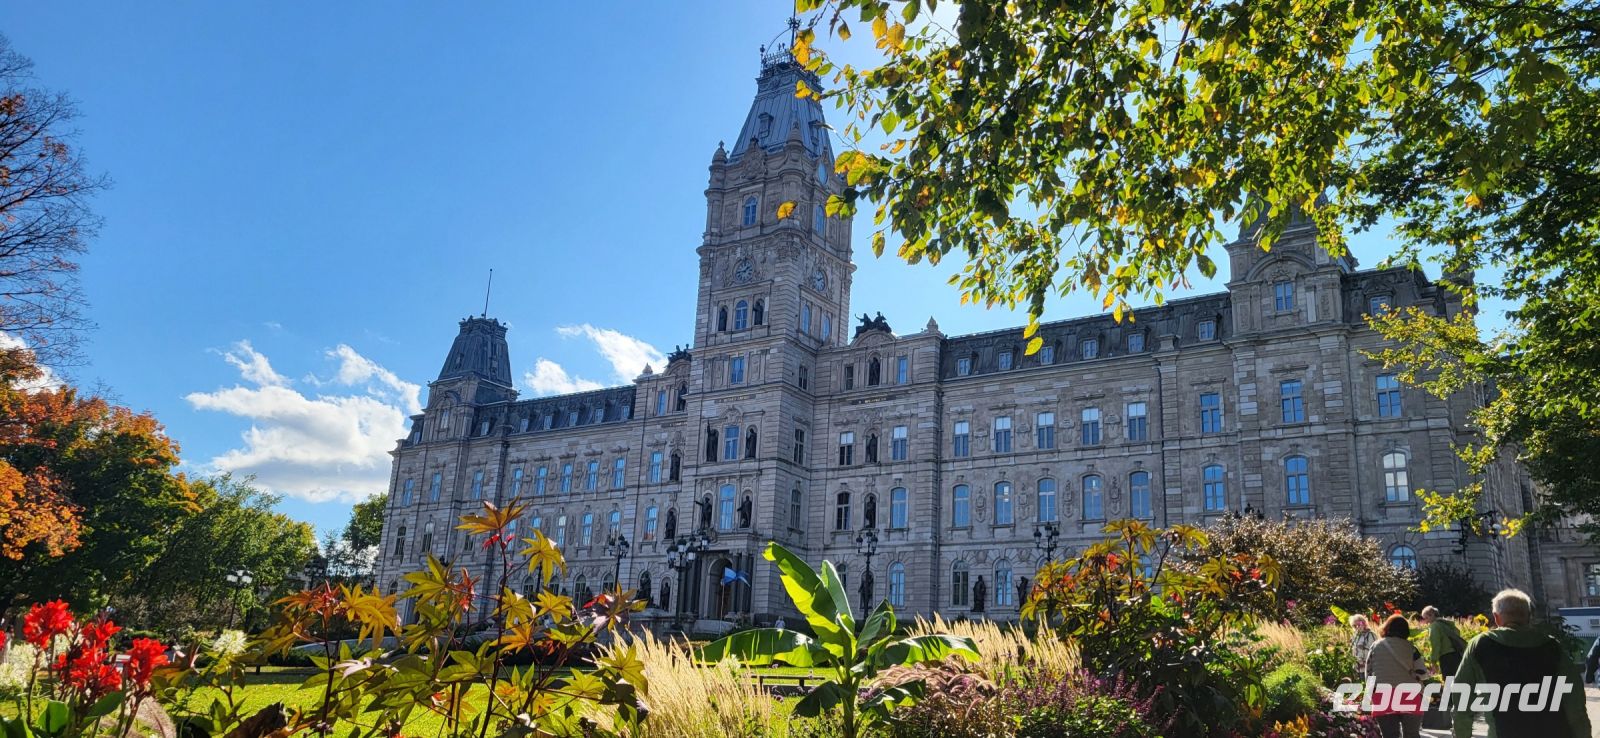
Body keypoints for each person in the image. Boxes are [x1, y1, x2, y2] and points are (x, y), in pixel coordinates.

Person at [1451, 589, 1592, 738]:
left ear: (1496, 618)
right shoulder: (1552, 647)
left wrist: (1461, 734)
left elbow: (1461, 698)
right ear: (1529, 617)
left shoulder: (1480, 645)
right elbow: (1575, 702)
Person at [1367, 614, 1427, 738]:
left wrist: (1370, 694)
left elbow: (1368, 672)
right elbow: (1422, 672)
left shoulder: (1375, 646)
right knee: (1411, 735)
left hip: (1383, 695)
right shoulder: (1411, 648)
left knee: (1389, 735)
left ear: (1386, 628)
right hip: (1409, 695)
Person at [1419, 606, 1467, 678]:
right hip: (1457, 655)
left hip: (1446, 657)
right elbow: (1457, 633)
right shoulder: (1446, 624)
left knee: (1449, 681)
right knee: (1458, 680)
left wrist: (1433, 661)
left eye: (1426, 618)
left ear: (1432, 615)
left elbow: (1436, 645)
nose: (1426, 621)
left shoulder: (1434, 626)